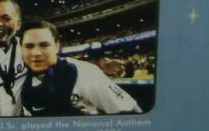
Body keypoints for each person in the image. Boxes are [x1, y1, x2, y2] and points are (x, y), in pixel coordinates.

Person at [14, 22, 142, 115]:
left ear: (57, 46)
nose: (36, 53)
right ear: (21, 49)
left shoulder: (85, 72)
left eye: (44, 45)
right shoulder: (16, 78)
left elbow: (130, 112)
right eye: (29, 46)